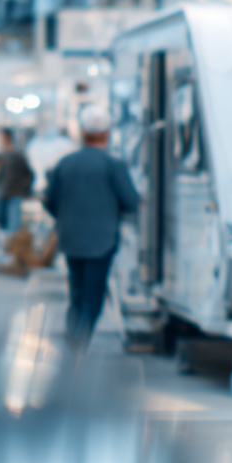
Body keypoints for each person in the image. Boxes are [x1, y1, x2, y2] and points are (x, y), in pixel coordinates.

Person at [43, 106, 139, 344]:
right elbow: (130, 201)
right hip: (102, 240)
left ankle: (73, 332)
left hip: (70, 238)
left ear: (82, 133)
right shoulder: (113, 165)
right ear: (107, 133)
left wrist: (65, 218)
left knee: (76, 292)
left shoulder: (65, 163)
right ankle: (79, 339)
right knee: (93, 295)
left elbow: (50, 201)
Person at [0, 129, 34, 233]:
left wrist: (23, 189)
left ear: (6, 138)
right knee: (5, 224)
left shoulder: (15, 154)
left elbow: (29, 175)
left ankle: (10, 241)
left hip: (12, 193)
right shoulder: (1, 155)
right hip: (5, 193)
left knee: (12, 226)